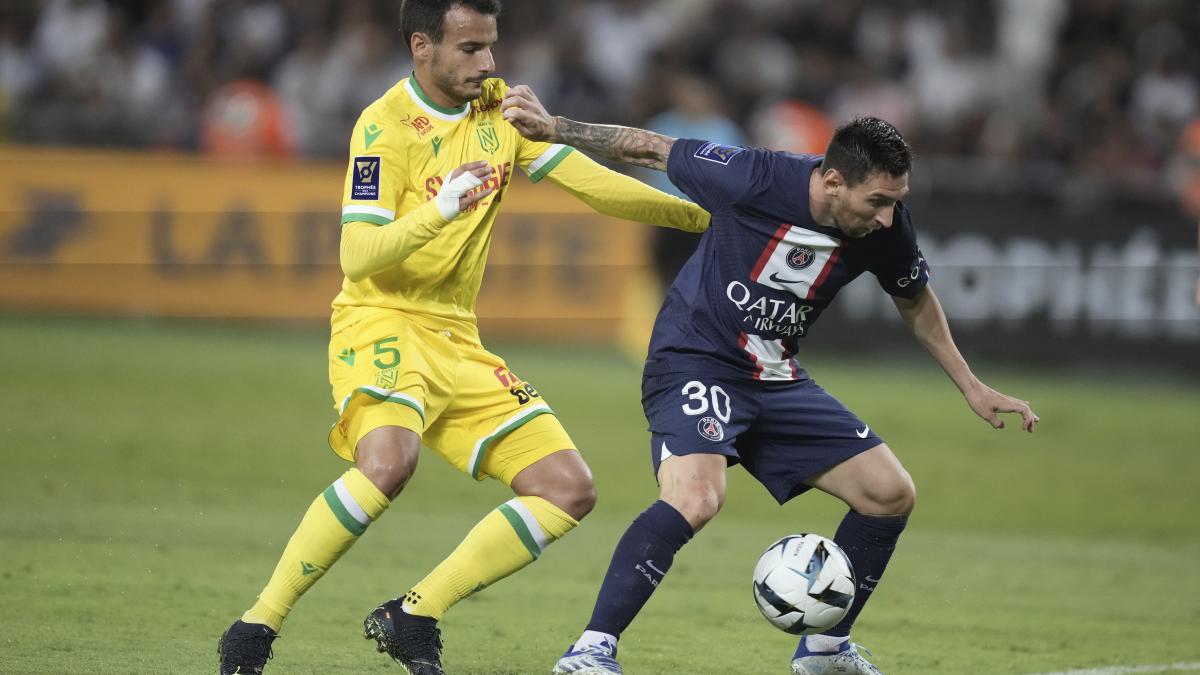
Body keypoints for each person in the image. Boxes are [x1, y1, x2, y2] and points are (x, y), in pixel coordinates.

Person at [216, 2, 709, 674]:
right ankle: (254, 628)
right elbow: (358, 254)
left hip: (456, 336)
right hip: (381, 318)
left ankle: (414, 612)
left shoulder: (498, 110)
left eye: (492, 47)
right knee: (387, 462)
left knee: (568, 487)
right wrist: (438, 208)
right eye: (471, 49)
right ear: (423, 46)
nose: (489, 64)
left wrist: (703, 217)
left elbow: (591, 184)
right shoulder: (382, 126)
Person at [501, 89, 1039, 675]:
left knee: (889, 494)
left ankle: (825, 651)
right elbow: (650, 148)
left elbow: (915, 300)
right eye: (878, 201)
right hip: (694, 359)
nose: (887, 216)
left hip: (775, 375)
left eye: (896, 202)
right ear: (833, 182)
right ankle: (589, 652)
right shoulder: (753, 176)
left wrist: (971, 385)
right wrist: (554, 126)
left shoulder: (887, 228)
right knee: (696, 497)